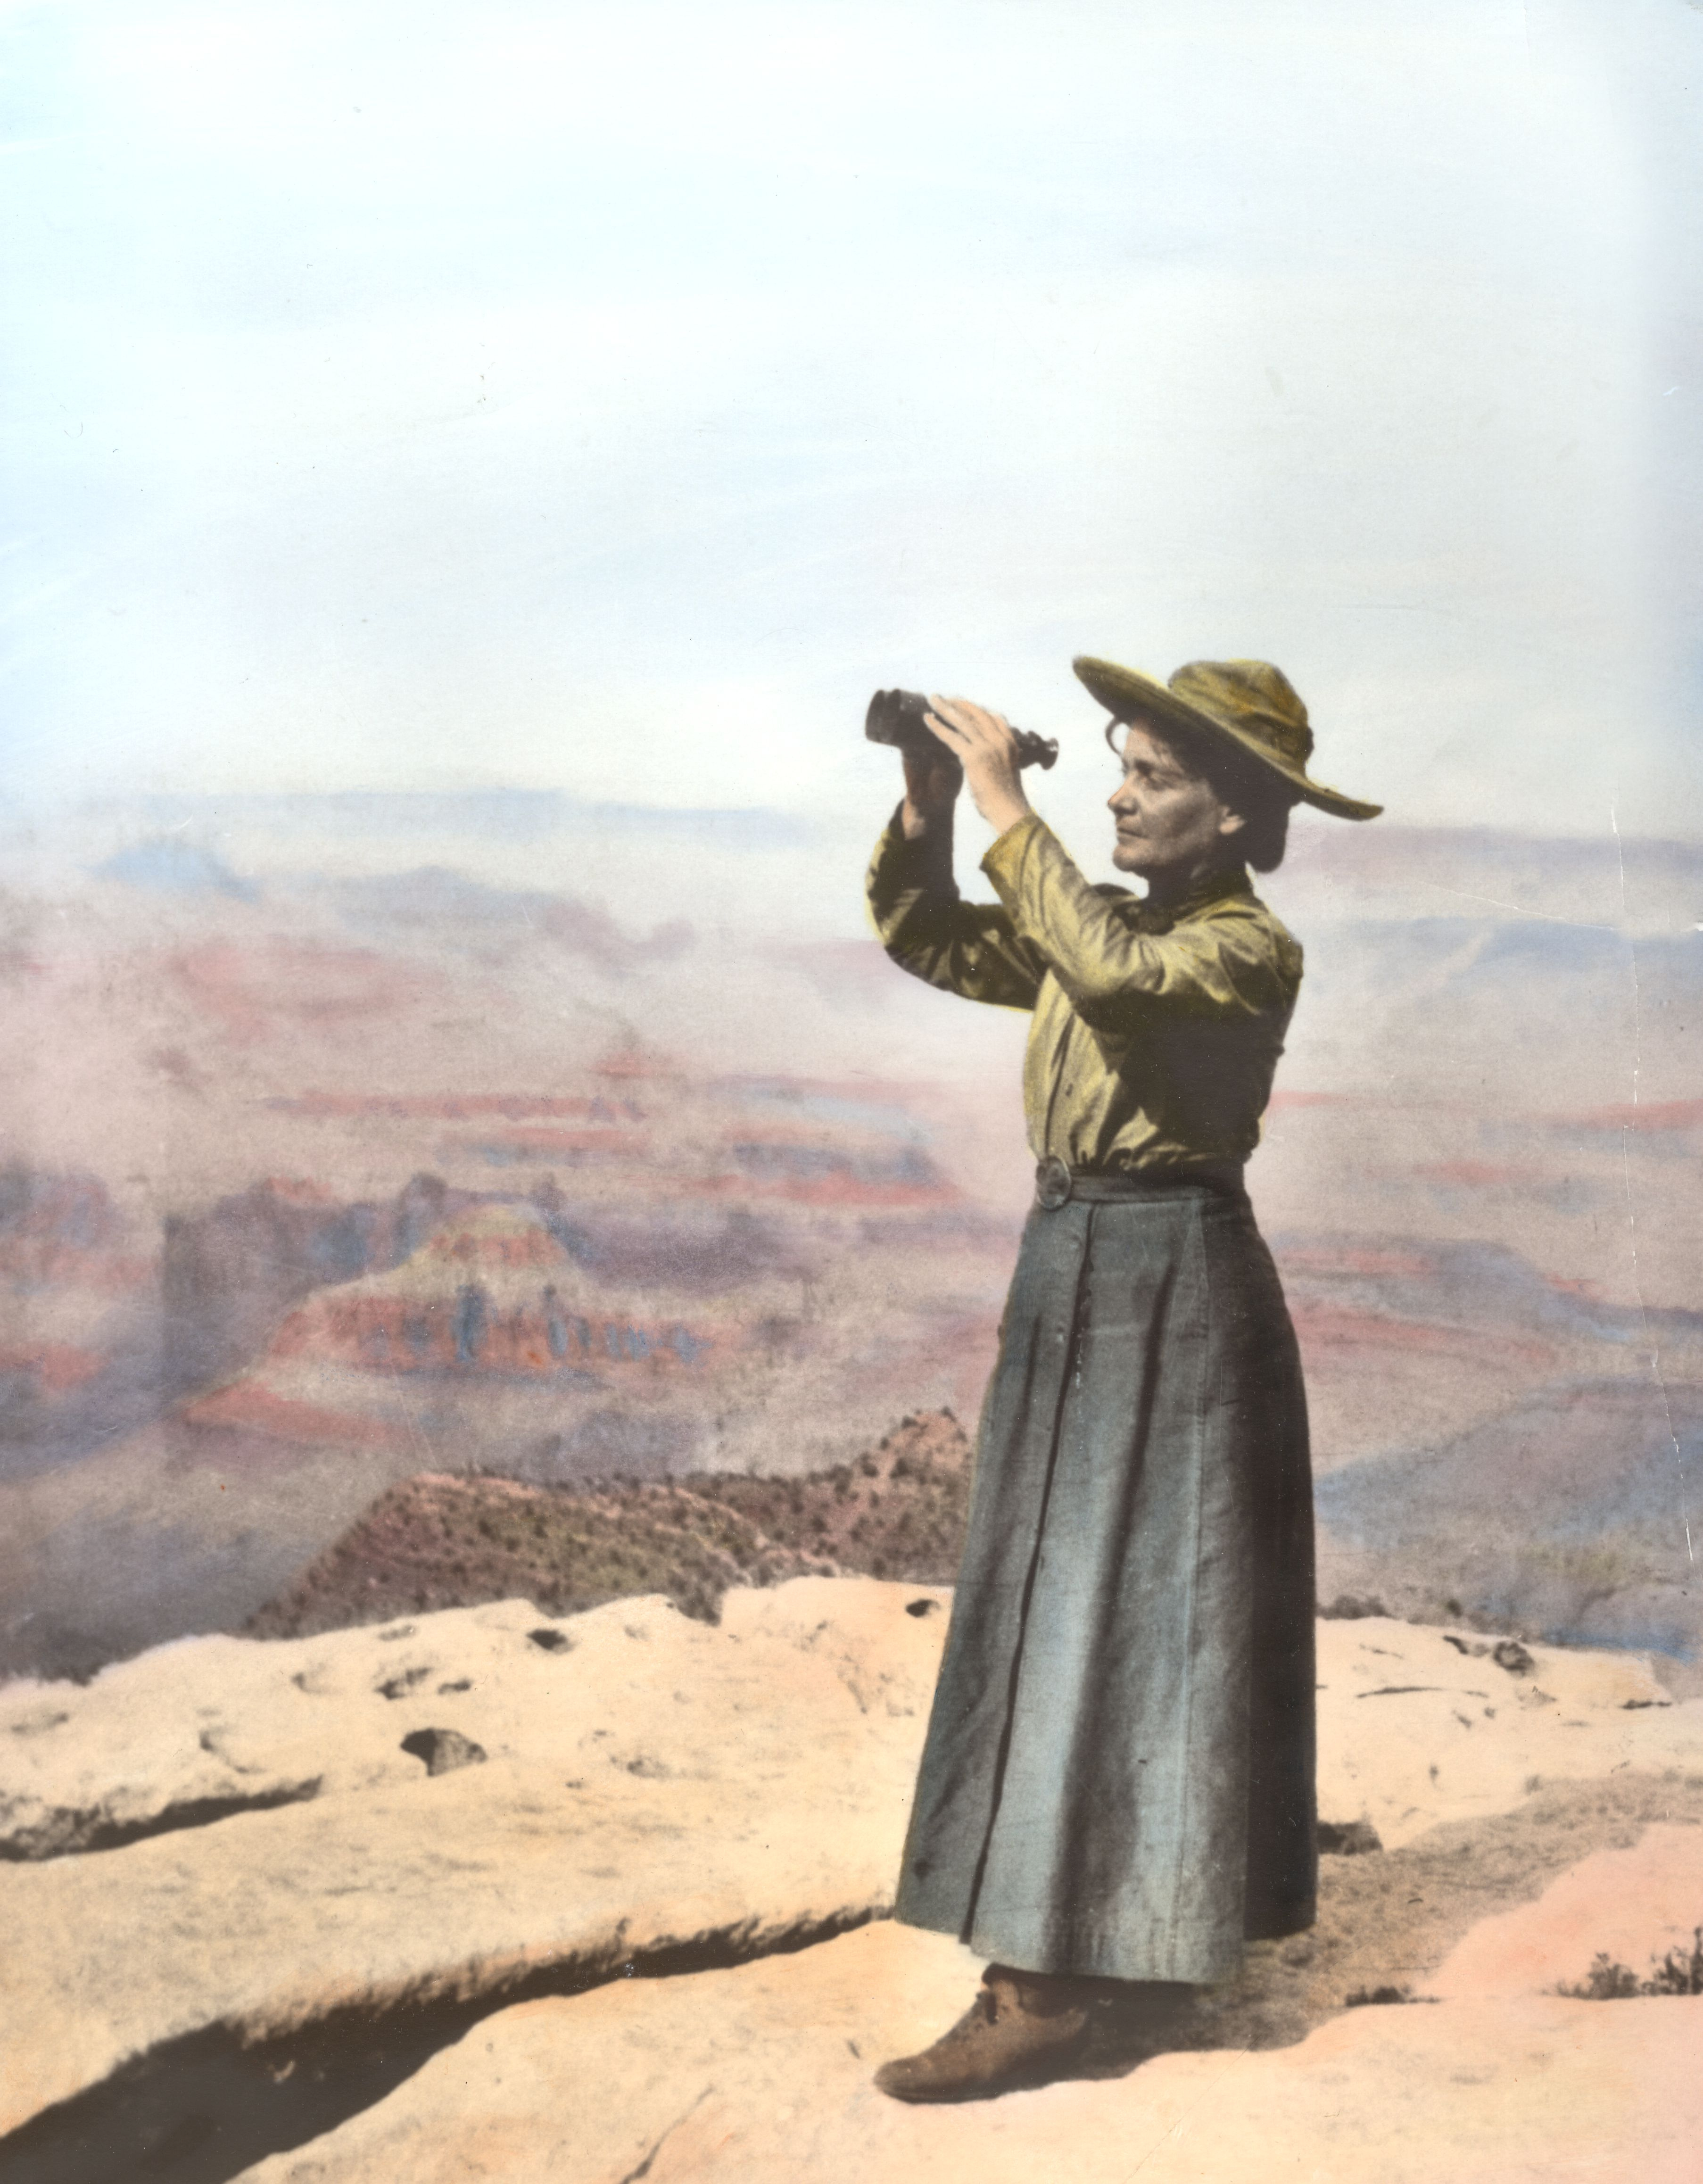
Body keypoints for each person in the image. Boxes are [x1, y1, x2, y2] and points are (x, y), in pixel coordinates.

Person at [864, 653, 1381, 2102]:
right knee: (1076, 1604)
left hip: (1173, 1284)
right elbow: (930, 938)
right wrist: (927, 801)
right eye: (1123, 767)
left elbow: (1104, 971)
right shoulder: (1124, 921)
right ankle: (1113, 1952)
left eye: (1151, 778)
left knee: (1136, 1614)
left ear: (1235, 814)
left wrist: (999, 796)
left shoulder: (1236, 952)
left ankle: (1042, 1990)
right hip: (1077, 1267)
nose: (1117, 795)